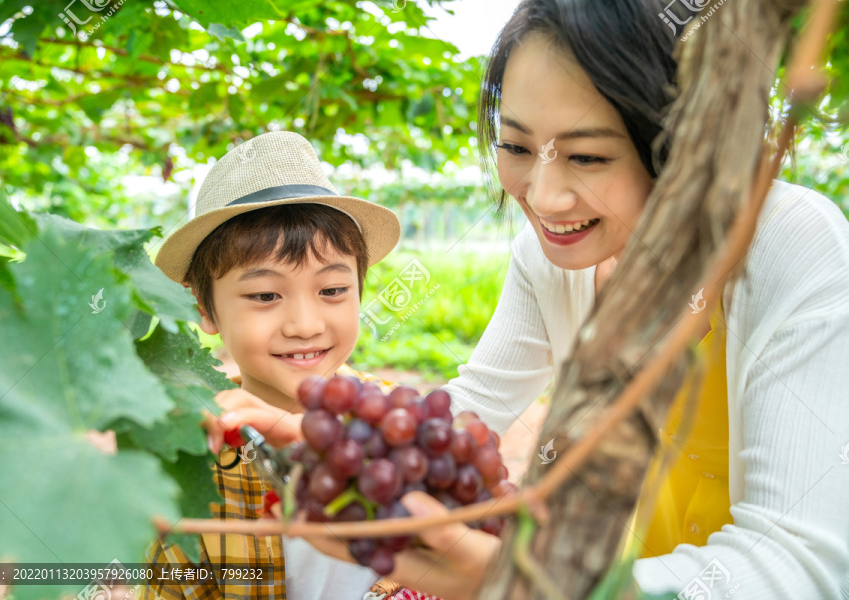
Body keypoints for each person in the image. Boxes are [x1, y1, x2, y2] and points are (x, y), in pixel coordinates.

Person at [310, 1, 849, 598]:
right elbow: (472, 412)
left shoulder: (791, 243)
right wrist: (335, 443)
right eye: (516, 147)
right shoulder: (547, 258)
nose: (544, 198)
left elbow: (799, 562)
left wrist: (527, 584)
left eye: (588, 156)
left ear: (684, 147)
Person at [143, 130, 405, 600]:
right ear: (203, 309)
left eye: (331, 290)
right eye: (265, 295)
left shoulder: (397, 423)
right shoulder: (191, 458)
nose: (305, 325)